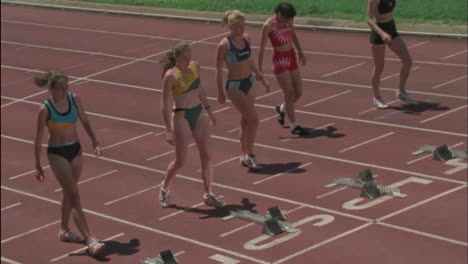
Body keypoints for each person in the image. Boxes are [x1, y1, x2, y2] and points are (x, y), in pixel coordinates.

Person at [33, 70, 105, 256]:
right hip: (57, 153)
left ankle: (64, 230)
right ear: (52, 89)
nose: (66, 90)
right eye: (61, 88)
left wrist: (94, 140)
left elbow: (85, 120)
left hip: (76, 149)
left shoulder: (74, 99)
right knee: (74, 194)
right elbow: (38, 138)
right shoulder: (45, 109)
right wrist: (37, 164)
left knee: (69, 191)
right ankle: (90, 239)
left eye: (67, 86)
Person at [160, 42, 225, 208]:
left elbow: (200, 90)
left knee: (207, 155)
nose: (188, 57)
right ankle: (164, 187)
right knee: (181, 161)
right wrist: (168, 129)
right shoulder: (171, 76)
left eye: (190, 54)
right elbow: (165, 103)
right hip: (181, 115)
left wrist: (209, 110)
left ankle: (209, 194)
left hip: (198, 112)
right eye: (185, 55)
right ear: (176, 57)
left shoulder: (195, 67)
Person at [216, 10, 270, 170]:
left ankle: (243, 153)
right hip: (235, 86)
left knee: (245, 121)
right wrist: (220, 92)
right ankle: (251, 154)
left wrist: (261, 78)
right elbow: (218, 69)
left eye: (244, 25)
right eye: (239, 26)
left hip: (250, 82)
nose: (242, 28)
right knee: (254, 120)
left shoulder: (246, 38)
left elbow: (250, 60)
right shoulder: (224, 45)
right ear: (231, 26)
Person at [258, 2, 307, 136]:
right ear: (279, 14)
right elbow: (261, 49)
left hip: (291, 57)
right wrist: (259, 70)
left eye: (290, 19)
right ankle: (294, 125)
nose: (288, 21)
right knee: (289, 93)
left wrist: (300, 52)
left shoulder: (288, 20)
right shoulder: (269, 25)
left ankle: (282, 108)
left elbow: (293, 34)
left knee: (299, 92)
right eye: (286, 18)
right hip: (280, 60)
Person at [366, 0, 414, 108]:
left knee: (408, 61)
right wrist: (382, 33)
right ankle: (377, 97)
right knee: (379, 67)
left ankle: (401, 91)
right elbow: (368, 19)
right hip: (378, 32)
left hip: (391, 28)